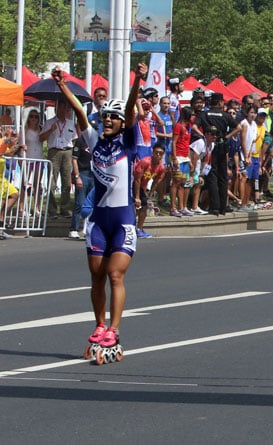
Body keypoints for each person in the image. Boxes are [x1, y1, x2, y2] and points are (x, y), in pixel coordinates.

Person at [55, 63, 146, 364]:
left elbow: (132, 110)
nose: (107, 120)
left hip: (122, 220)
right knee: (96, 277)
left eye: (113, 117)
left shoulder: (129, 142)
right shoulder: (94, 140)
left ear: (122, 122)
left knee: (115, 274)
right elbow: (81, 113)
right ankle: (99, 324)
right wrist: (62, 85)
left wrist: (137, 80)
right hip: (98, 220)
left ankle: (115, 329)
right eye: (105, 116)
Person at [198, 93, 241, 216]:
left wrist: (204, 137)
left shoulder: (205, 114)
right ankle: (223, 207)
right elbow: (238, 127)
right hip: (222, 145)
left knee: (212, 177)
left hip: (210, 146)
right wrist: (226, 137)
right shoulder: (225, 115)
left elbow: (196, 126)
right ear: (220, 102)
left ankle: (214, 207)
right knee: (222, 178)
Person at [40, 96, 78, 218]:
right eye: (60, 107)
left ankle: (65, 208)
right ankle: (51, 209)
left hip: (67, 151)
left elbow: (75, 139)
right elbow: (41, 138)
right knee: (52, 181)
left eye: (64, 108)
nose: (62, 110)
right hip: (54, 151)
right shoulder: (50, 122)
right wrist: (51, 130)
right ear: (56, 109)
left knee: (67, 181)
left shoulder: (71, 123)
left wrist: (71, 149)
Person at [132, 143, 167, 238]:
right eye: (156, 153)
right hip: (133, 184)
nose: (158, 155)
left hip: (143, 186)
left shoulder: (161, 167)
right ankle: (132, 228)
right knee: (135, 205)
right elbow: (137, 179)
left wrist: (150, 196)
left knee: (145, 205)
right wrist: (137, 197)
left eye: (160, 153)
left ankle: (139, 228)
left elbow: (156, 182)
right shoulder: (145, 162)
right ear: (153, 152)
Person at [69, 135, 94, 239]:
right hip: (83, 173)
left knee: (92, 204)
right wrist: (77, 176)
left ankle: (87, 228)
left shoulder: (97, 140)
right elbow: (74, 159)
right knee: (79, 202)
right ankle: (73, 229)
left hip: (94, 174)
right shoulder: (80, 141)